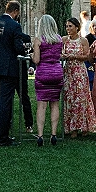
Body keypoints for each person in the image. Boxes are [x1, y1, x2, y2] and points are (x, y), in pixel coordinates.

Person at [0, 0, 26, 146]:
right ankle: (3, 137)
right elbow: (18, 47)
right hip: (9, 68)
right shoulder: (14, 25)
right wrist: (25, 50)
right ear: (15, 11)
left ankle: (1, 131)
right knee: (5, 102)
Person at [61, 17, 96, 138]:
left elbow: (87, 56)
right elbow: (60, 53)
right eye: (67, 26)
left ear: (77, 27)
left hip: (80, 72)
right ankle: (72, 128)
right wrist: (64, 56)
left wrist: (74, 56)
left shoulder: (83, 41)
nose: (68, 28)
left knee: (81, 98)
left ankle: (83, 126)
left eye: (70, 26)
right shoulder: (64, 40)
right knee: (70, 98)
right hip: (69, 72)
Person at [33, 14, 64, 146]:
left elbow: (37, 60)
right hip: (57, 72)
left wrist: (31, 55)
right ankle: (53, 134)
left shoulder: (39, 40)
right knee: (55, 104)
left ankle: (40, 135)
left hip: (43, 73)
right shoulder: (59, 39)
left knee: (42, 105)